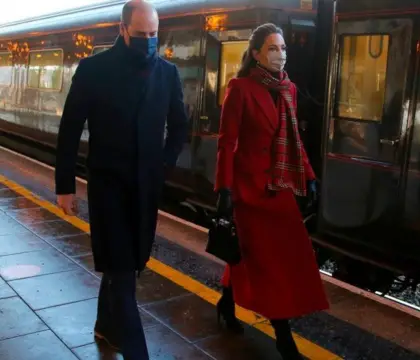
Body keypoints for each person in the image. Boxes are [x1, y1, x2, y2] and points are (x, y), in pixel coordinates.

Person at [54, 1, 188, 359]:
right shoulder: (94, 70)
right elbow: (69, 130)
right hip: (108, 188)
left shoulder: (167, 73)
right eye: (141, 34)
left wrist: (163, 163)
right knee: (123, 275)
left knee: (127, 264)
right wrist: (65, 185)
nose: (148, 41)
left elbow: (179, 127)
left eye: (153, 35)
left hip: (145, 189)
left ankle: (105, 326)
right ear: (123, 29)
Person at [214, 23, 329, 360]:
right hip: (248, 191)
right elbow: (227, 143)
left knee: (269, 256)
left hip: (278, 187)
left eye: (283, 49)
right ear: (256, 54)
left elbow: (293, 140)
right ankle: (283, 336)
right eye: (273, 49)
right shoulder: (240, 88)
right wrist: (224, 189)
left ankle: (225, 302)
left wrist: (308, 177)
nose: (281, 55)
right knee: (268, 263)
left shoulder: (288, 89)